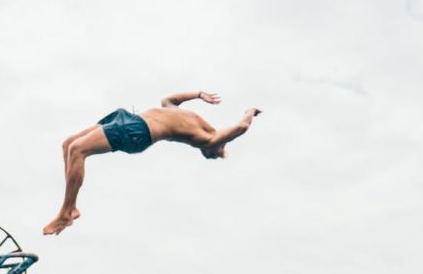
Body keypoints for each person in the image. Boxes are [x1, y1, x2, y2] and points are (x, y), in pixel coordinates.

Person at [43, 91, 262, 235]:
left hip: (138, 132)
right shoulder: (188, 116)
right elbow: (169, 100)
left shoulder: (208, 139)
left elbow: (241, 127)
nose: (212, 150)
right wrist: (197, 94)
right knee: (68, 144)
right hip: (129, 119)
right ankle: (70, 208)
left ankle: (65, 212)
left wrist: (249, 111)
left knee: (78, 150)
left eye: (210, 153)